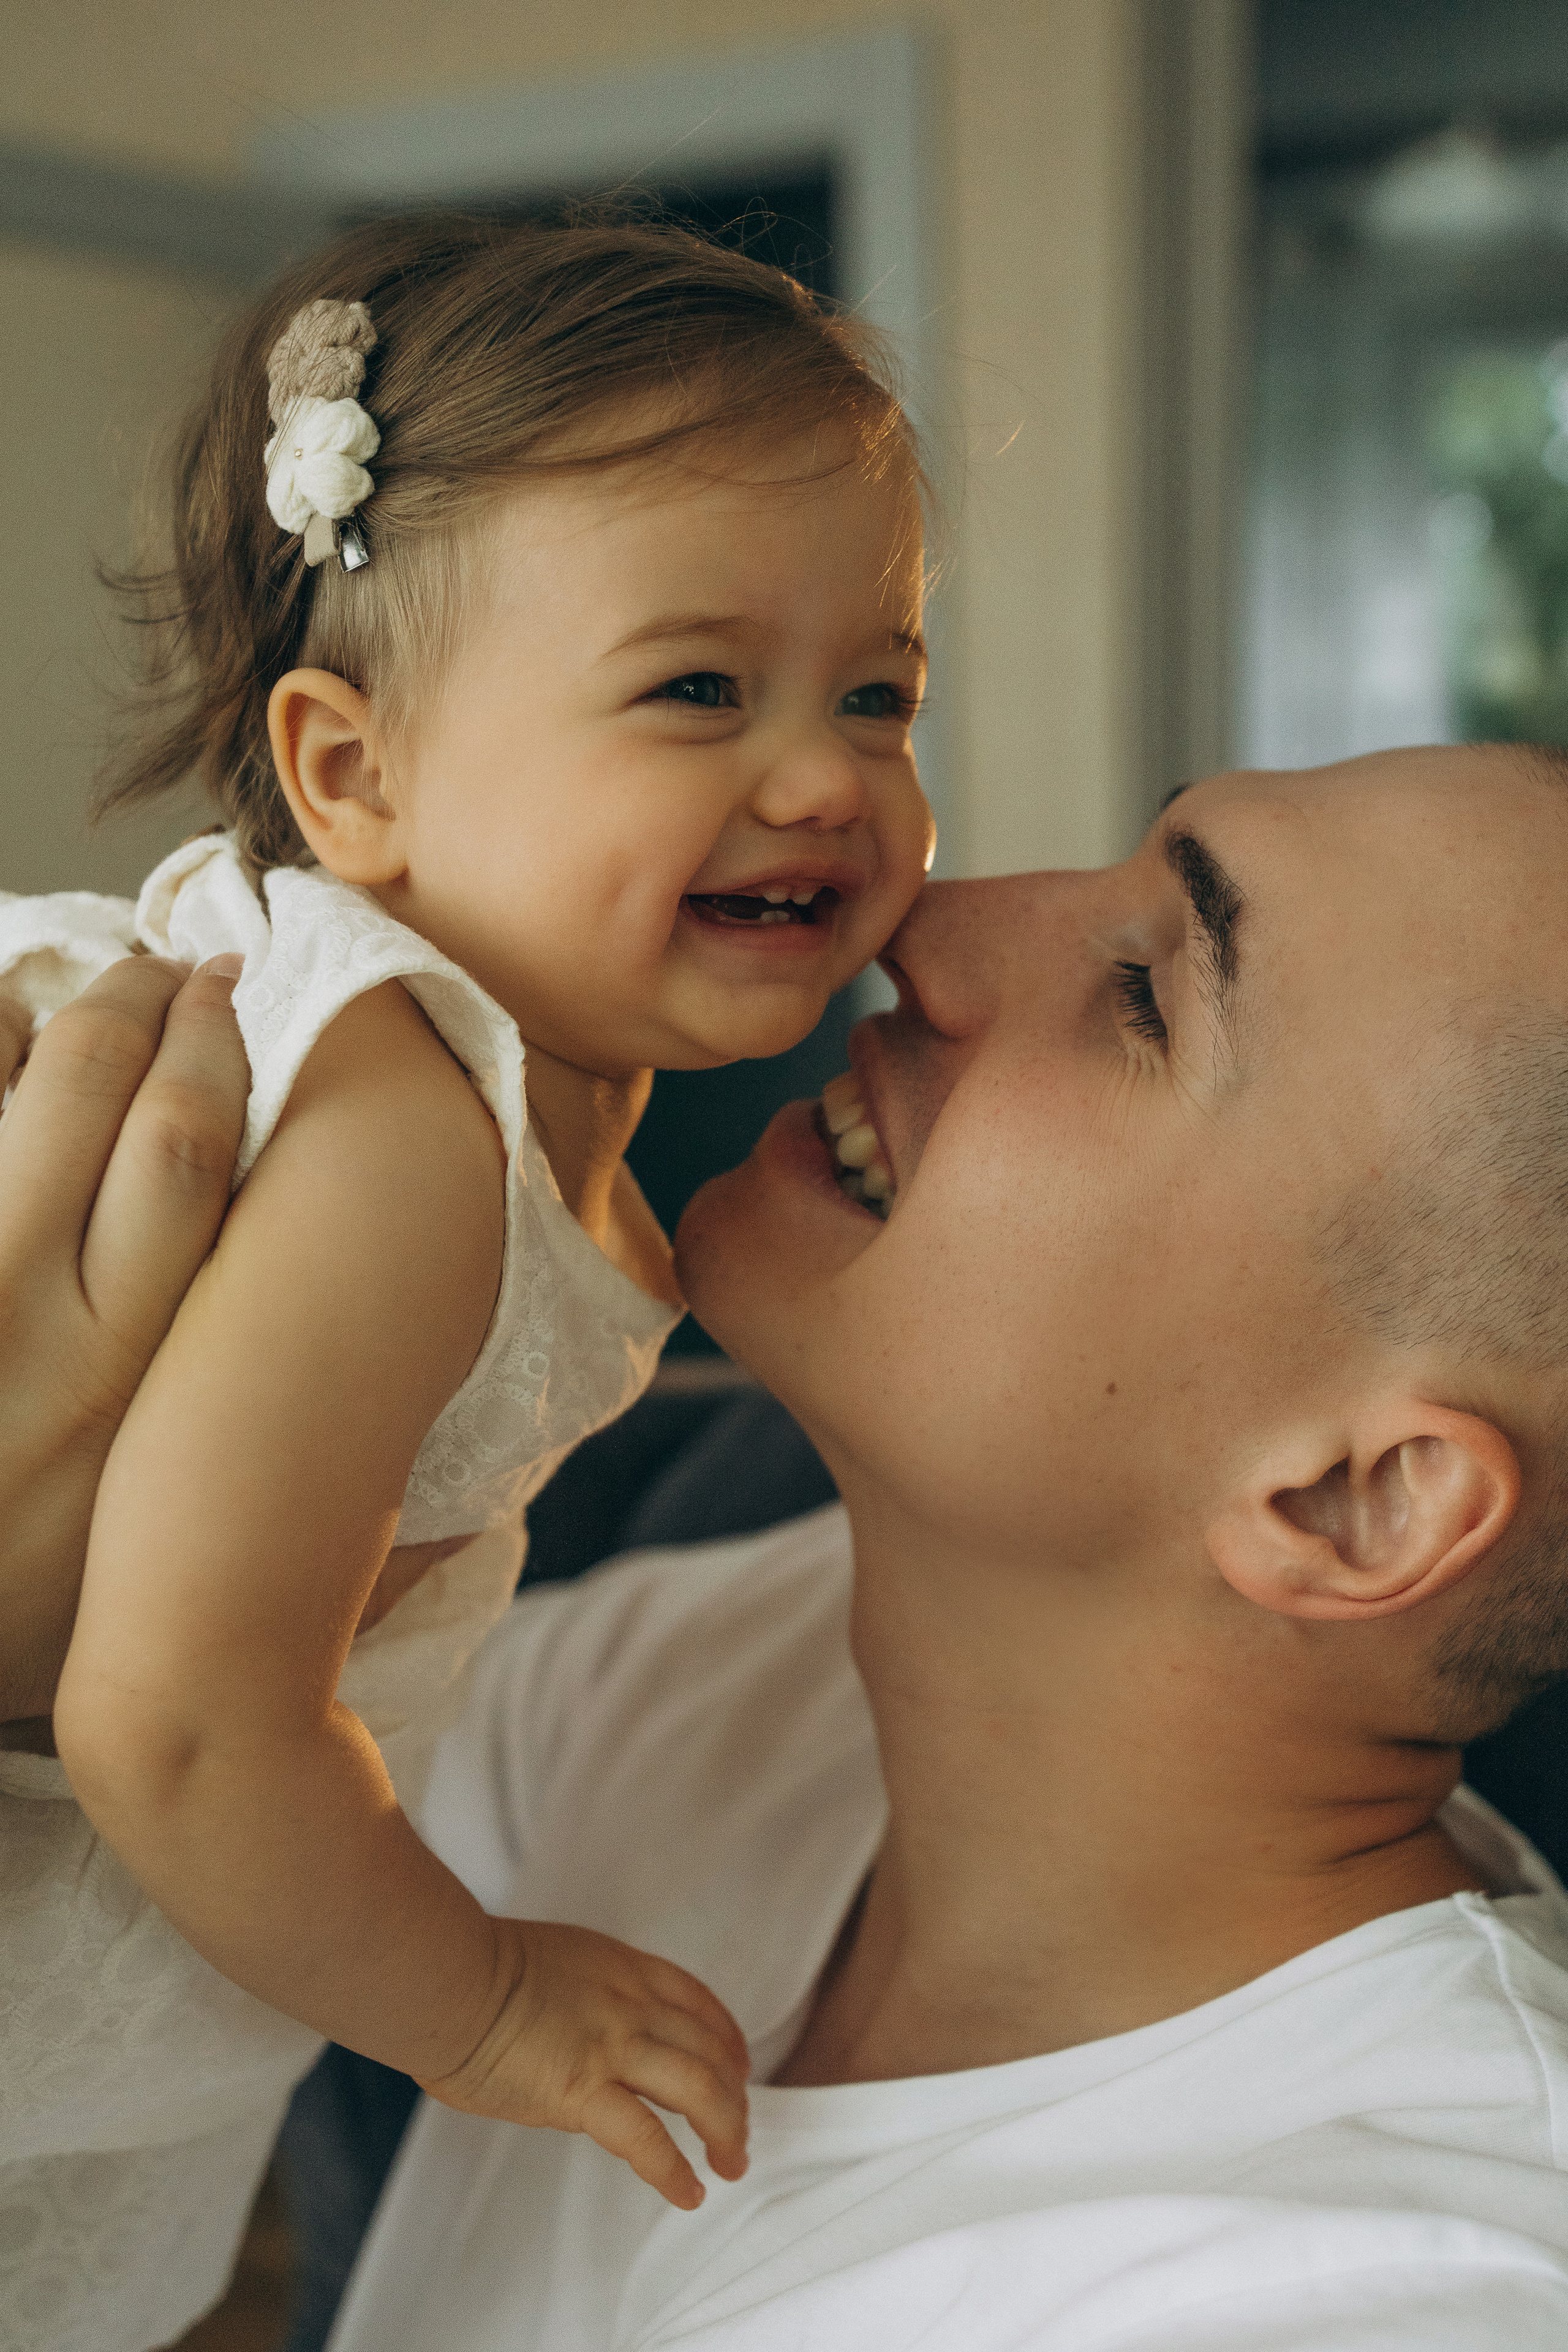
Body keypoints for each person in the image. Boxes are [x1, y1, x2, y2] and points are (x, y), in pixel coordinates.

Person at [7, 745, 1568, 2349]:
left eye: (1149, 995)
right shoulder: (724, 1673)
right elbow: (175, 1815)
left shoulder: (1396, 2293)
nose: (926, 925)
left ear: (1354, 1502)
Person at [0, 212, 935, 2351]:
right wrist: (485, 2005)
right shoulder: (408, 1120)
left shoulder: (507, 1118)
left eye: (878, 688)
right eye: (699, 689)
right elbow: (175, 1710)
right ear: (356, 776)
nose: (824, 774)